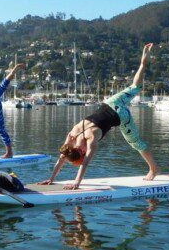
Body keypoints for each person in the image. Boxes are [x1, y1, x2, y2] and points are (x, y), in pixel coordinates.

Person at [39, 43, 159, 190]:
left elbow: (85, 163)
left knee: (136, 143)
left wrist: (77, 183)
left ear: (81, 152)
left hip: (121, 115)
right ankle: (143, 61)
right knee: (135, 87)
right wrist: (51, 179)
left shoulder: (91, 139)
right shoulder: (71, 138)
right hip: (111, 102)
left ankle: (154, 169)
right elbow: (62, 157)